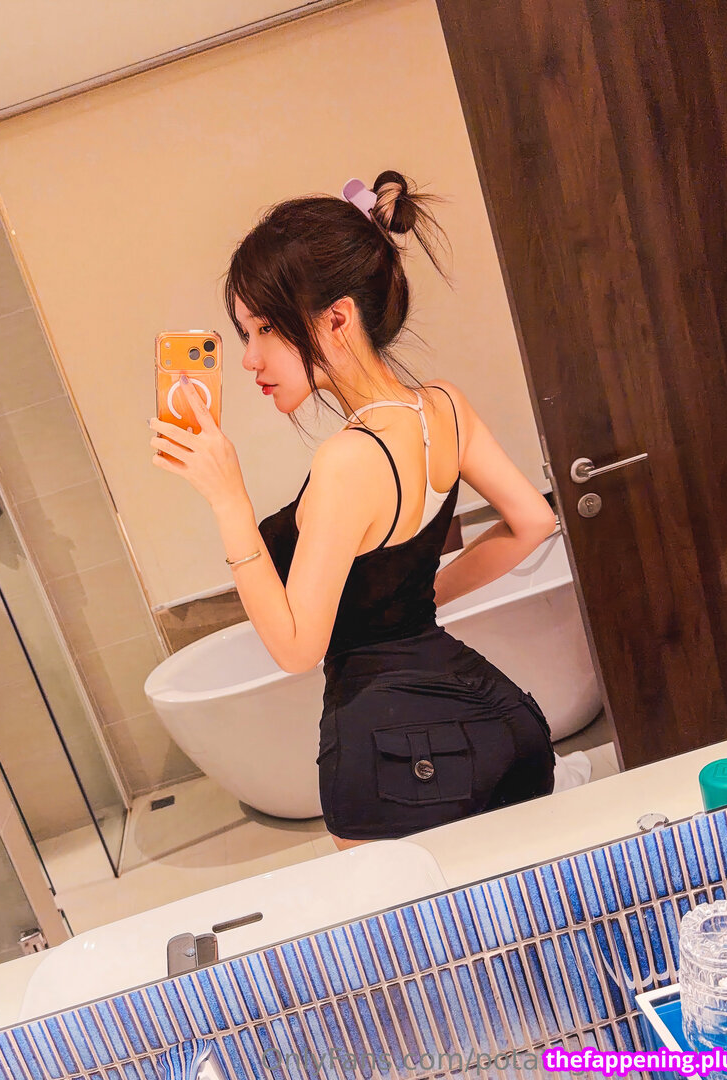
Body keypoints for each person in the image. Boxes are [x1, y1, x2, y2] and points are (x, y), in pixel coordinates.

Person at [148, 170, 559, 850]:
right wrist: (419, 597)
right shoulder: (444, 406)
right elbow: (534, 522)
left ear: (337, 319)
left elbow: (296, 648)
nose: (249, 359)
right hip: (500, 719)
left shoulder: (348, 458)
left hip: (395, 757)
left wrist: (228, 499)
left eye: (264, 330)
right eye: (245, 333)